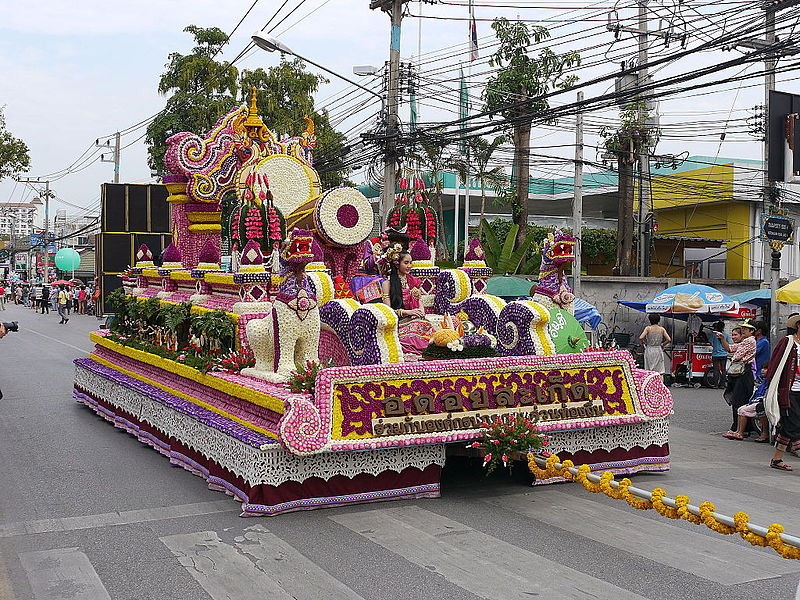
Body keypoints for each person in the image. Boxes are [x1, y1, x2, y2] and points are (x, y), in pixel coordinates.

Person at [380, 250, 434, 357]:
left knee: (426, 326)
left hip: (415, 319)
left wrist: (420, 311)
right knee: (414, 332)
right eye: (406, 263)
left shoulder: (413, 281)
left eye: (410, 262)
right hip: (399, 322)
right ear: (397, 264)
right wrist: (408, 312)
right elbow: (388, 311)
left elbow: (419, 302)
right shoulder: (387, 284)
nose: (409, 266)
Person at [764, 314, 800, 471]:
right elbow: (775, 364)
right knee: (794, 424)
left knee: (788, 427)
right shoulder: (788, 342)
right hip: (790, 390)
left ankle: (777, 459)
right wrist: (772, 387)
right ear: (798, 325)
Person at [716, 321, 757, 436]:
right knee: (738, 401)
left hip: (744, 373)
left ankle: (738, 430)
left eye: (745, 329)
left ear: (751, 331)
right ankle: (739, 428)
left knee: (739, 401)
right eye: (742, 328)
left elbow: (736, 356)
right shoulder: (745, 341)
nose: (743, 330)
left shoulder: (749, 341)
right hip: (740, 373)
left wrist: (733, 357)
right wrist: (723, 339)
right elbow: (730, 348)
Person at [709, 321, 730, 389]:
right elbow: (728, 344)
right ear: (723, 327)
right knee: (723, 370)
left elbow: (711, 343)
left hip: (715, 354)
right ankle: (722, 385)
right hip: (724, 354)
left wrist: (715, 346)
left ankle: (715, 385)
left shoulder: (713, 335)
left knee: (716, 370)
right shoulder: (726, 335)